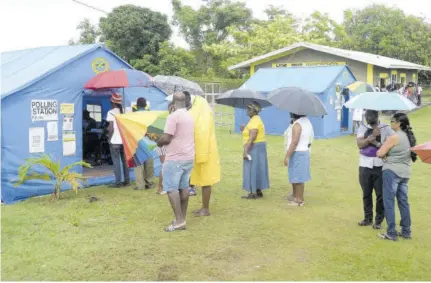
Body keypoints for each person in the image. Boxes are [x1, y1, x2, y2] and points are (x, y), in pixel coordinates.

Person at [157, 92, 195, 232]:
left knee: (172, 189)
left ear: (173, 103)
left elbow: (166, 138)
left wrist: (158, 142)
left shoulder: (173, 117)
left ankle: (179, 221)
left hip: (175, 158)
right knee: (183, 188)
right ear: (185, 101)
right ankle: (182, 218)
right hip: (188, 157)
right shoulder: (189, 116)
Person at [377, 113, 417, 241]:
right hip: (405, 173)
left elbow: (380, 153)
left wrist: (383, 149)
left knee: (389, 202)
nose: (391, 122)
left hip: (392, 172)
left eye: (393, 121)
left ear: (399, 123)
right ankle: (406, 231)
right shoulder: (409, 137)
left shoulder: (394, 137)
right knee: (403, 202)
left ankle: (391, 232)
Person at [184, 91, 221, 216]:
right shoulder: (195, 111)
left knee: (206, 181)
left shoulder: (200, 111)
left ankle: (205, 209)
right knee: (201, 179)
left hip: (205, 151)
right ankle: (203, 207)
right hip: (199, 150)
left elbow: (199, 130)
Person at [356, 110, 394, 229]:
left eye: (370, 116)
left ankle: (378, 220)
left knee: (380, 195)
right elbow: (359, 144)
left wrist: (377, 141)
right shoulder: (362, 127)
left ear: (377, 116)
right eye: (366, 115)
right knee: (366, 193)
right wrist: (370, 137)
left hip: (380, 165)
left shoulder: (386, 128)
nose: (367, 118)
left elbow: (392, 144)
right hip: (364, 165)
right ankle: (367, 218)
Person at [284, 113, 314, 206]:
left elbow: (294, 142)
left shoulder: (298, 125)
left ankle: (299, 199)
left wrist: (287, 156)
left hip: (298, 152)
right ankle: (294, 195)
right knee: (294, 176)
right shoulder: (305, 121)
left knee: (298, 178)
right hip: (300, 152)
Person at [241, 102, 269, 199]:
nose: (247, 110)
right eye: (247, 108)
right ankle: (257, 190)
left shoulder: (255, 120)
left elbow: (252, 137)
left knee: (251, 169)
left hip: (254, 147)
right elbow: (250, 133)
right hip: (258, 147)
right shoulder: (254, 120)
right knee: (257, 168)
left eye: (249, 109)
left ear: (255, 110)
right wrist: (244, 130)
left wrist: (246, 151)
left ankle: (253, 193)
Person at [106, 93, 130, 188]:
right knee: (125, 161)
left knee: (116, 161)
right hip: (124, 141)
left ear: (113, 102)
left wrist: (109, 138)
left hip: (115, 141)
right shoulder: (124, 112)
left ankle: (118, 182)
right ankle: (127, 181)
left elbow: (110, 128)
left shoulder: (111, 112)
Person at [132, 97, 155, 190]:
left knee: (138, 163)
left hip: (137, 140)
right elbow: (153, 129)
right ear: (145, 105)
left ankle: (140, 185)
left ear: (137, 106)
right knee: (149, 162)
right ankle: (149, 182)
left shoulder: (133, 116)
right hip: (148, 140)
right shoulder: (150, 115)